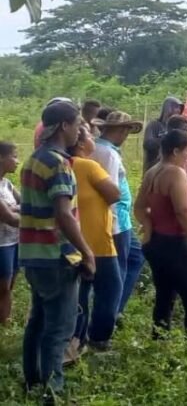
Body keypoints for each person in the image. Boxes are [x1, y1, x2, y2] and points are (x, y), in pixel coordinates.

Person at [21, 100, 94, 397]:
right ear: (64, 125)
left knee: (38, 323)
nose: (80, 131)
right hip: (56, 257)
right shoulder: (59, 163)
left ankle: (33, 382)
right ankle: (53, 393)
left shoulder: (32, 160)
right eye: (78, 125)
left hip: (33, 256)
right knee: (59, 331)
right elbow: (63, 214)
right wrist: (87, 252)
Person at [135, 130, 187, 335]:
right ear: (175, 151)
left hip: (156, 243)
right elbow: (183, 211)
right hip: (175, 243)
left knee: (164, 296)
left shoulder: (152, 171)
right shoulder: (176, 174)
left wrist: (149, 228)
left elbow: (139, 207)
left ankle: (159, 341)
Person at [69, 125, 122, 356]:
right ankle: (99, 339)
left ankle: (76, 340)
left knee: (80, 294)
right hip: (98, 242)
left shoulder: (62, 165)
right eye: (90, 136)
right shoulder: (89, 166)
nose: (94, 139)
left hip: (73, 243)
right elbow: (114, 194)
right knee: (110, 289)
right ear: (81, 143)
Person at [89, 111, 145, 322]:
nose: (127, 135)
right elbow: (110, 191)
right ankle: (108, 316)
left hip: (119, 219)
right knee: (116, 272)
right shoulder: (108, 154)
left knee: (135, 257)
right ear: (121, 130)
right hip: (116, 222)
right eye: (126, 131)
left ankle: (114, 309)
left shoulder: (101, 149)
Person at [0, 141, 21, 326]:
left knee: (9, 286)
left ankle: (5, 323)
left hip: (13, 241)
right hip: (2, 244)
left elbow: (27, 204)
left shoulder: (6, 184)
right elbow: (11, 219)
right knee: (3, 288)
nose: (17, 161)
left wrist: (16, 209)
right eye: (14, 156)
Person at [143, 97, 184, 172]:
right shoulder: (154, 125)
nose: (178, 110)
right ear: (167, 108)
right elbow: (148, 144)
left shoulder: (178, 128)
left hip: (171, 171)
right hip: (153, 170)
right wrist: (167, 138)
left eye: (179, 108)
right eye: (175, 107)